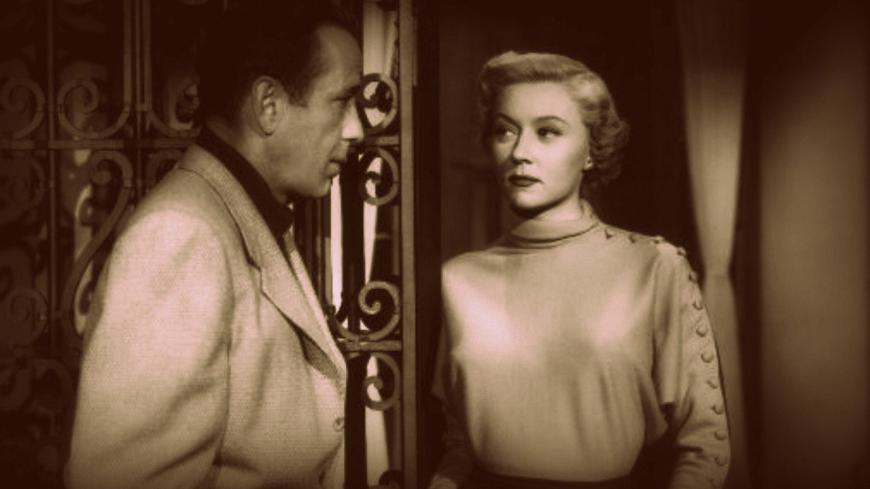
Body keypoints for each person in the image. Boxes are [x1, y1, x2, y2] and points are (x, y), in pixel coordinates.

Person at [65, 1, 363, 488]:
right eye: (342, 101)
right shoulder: (179, 236)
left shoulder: (239, 213)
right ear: (268, 105)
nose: (357, 129)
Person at [429, 51, 730, 489]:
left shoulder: (654, 265)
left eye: (547, 132)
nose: (520, 153)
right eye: (504, 131)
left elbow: (705, 444)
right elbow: (456, 447)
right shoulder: (459, 279)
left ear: (591, 150)